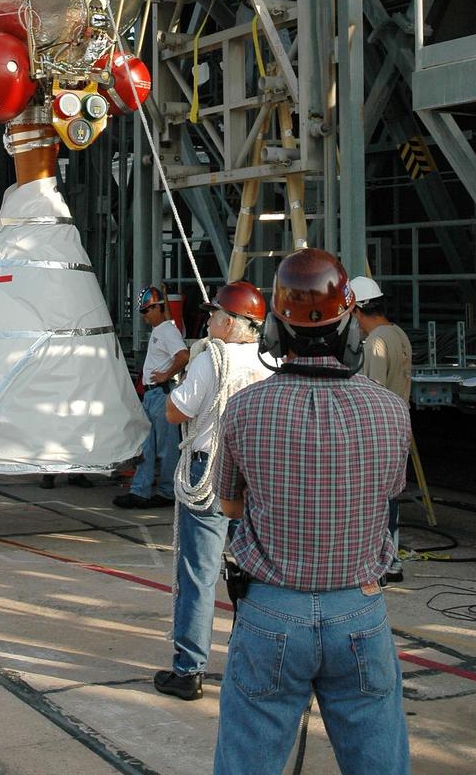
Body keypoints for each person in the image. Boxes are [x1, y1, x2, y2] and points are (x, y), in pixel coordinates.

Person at [213, 249, 411, 775]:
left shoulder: (245, 408)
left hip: (270, 612)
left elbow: (229, 503)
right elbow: (388, 495)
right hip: (359, 613)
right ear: (350, 331)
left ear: (275, 331)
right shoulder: (391, 411)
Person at [154, 281, 270, 701]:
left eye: (216, 316)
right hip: (257, 474)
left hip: (211, 469)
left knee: (198, 574)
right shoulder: (270, 360)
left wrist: (186, 378)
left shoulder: (212, 360)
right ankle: (250, 664)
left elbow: (174, 412)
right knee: (255, 573)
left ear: (233, 323)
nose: (209, 321)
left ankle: (189, 670)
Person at [351, 275, 413, 584]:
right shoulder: (398, 334)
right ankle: (393, 561)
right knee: (390, 499)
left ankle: (380, 562)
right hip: (398, 429)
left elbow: (370, 392)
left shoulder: (375, 342)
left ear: (358, 309)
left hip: (377, 434)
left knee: (374, 502)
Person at [113, 285, 189, 509]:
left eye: (146, 311)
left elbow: (184, 355)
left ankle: (161, 492)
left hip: (160, 393)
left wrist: (166, 374)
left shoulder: (166, 331)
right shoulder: (164, 329)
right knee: (149, 445)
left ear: (157, 308)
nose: (143, 317)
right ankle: (143, 490)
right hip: (154, 394)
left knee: (163, 447)